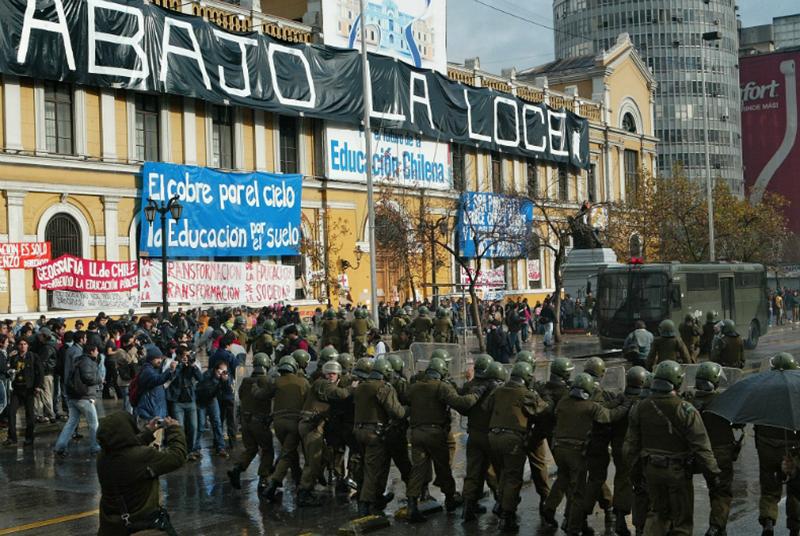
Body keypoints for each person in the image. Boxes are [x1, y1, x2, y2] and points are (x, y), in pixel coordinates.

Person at [624, 360, 720, 536]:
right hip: (677, 472)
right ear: (677, 381)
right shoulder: (685, 409)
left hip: (651, 470)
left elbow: (630, 447)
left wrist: (636, 472)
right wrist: (713, 474)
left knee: (657, 515)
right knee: (681, 522)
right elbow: (701, 447)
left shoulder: (640, 407)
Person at [543, 373, 629, 534]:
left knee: (562, 478)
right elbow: (609, 415)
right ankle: (574, 528)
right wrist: (624, 405)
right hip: (576, 453)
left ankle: (549, 506)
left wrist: (616, 401)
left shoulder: (563, 402)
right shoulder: (590, 407)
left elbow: (597, 408)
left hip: (559, 449)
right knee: (578, 493)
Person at [405, 357, 481, 522]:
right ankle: (450, 499)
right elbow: (461, 404)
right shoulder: (441, 387)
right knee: (443, 468)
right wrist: (476, 394)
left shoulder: (415, 387)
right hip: (435, 434)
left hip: (416, 433)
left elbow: (404, 400)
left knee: (417, 470)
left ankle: (412, 506)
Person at [96, 412, 185, 536]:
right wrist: (174, 430)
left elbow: (124, 444)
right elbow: (177, 457)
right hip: (140, 524)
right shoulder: (142, 456)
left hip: (110, 526)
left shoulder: (103, 456)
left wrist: (148, 432)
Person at [486, 361, 549, 531]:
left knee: (503, 475)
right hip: (512, 439)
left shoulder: (498, 391)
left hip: (493, 437)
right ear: (528, 377)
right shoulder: (526, 394)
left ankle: (500, 504)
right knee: (513, 478)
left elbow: (487, 408)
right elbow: (544, 411)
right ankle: (507, 517)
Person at [684, 362, 740, 536]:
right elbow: (739, 421)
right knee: (721, 491)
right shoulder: (724, 400)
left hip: (697, 454)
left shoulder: (688, 401)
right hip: (721, 453)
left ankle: (720, 529)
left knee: (709, 487)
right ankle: (715, 526)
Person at [353, 356, 406, 516]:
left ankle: (376, 498)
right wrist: (408, 410)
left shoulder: (360, 387)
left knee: (366, 466)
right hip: (374, 434)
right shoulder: (384, 388)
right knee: (372, 470)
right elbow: (397, 412)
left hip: (358, 431)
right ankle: (365, 504)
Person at [297, 360, 352, 506]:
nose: (330, 376)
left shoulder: (328, 385)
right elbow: (339, 394)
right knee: (313, 461)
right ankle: (304, 493)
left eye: (333, 373)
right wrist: (353, 389)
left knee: (324, 457)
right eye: (328, 373)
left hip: (317, 426)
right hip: (311, 426)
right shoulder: (321, 384)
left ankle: (317, 482)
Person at [756, 352, 800, 536]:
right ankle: (795, 528)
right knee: (795, 489)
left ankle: (768, 521)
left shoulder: (761, 388)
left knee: (769, 488)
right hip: (792, 449)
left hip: (766, 447)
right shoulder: (798, 388)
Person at [255, 356, 310, 502]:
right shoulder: (303, 382)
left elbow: (262, 395)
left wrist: (254, 388)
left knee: (289, 452)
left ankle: (297, 480)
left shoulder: (276, 382)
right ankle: (274, 483)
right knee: (287, 454)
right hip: (294, 423)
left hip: (278, 424)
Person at [461, 356, 503, 522]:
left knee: (472, 472)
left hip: (473, 435)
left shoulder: (469, 386)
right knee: (492, 471)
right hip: (490, 435)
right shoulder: (494, 389)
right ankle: (501, 503)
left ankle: (468, 507)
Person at [228, 353, 274, 495]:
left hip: (246, 421)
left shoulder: (246, 381)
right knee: (267, 450)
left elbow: (241, 396)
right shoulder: (268, 381)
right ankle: (264, 478)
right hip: (260, 422)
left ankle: (237, 468)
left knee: (251, 448)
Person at [53, 342, 103, 457]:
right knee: (93, 423)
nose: (98, 352)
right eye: (96, 350)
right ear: (92, 351)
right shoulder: (87, 361)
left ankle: (60, 447)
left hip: (73, 397)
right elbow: (88, 378)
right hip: (84, 397)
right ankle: (95, 447)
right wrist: (99, 379)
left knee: (71, 423)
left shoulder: (78, 360)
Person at [3, 338, 43, 446]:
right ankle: (12, 437)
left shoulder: (33, 357)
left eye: (25, 344)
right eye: (20, 344)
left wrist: (38, 386)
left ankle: (29, 438)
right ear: (17, 346)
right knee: (11, 413)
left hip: (29, 389)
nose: (23, 346)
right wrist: (10, 370)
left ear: (28, 345)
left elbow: (40, 372)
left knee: (29, 414)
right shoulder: (14, 357)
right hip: (17, 389)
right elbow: (7, 371)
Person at [165, 346, 202, 461]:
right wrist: (180, 365)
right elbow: (172, 377)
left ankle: (190, 450)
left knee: (193, 427)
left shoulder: (191, 365)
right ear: (180, 356)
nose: (187, 358)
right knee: (179, 428)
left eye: (188, 355)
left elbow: (200, 378)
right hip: (177, 401)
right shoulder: (172, 364)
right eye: (185, 355)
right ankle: (181, 451)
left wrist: (192, 366)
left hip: (190, 399)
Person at [195, 360, 231, 458]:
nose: (222, 373)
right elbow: (206, 389)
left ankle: (220, 447)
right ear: (215, 369)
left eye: (225, 371)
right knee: (200, 426)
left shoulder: (223, 377)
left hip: (212, 399)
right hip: (201, 401)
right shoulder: (207, 375)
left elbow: (227, 390)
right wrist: (218, 380)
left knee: (217, 423)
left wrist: (225, 382)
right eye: (220, 371)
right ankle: (196, 448)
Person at [134, 347, 176, 428]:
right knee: (152, 438)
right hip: (150, 415)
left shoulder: (152, 369)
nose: (160, 360)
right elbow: (158, 379)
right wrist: (170, 370)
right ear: (151, 359)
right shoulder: (147, 371)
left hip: (155, 413)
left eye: (160, 358)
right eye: (157, 358)